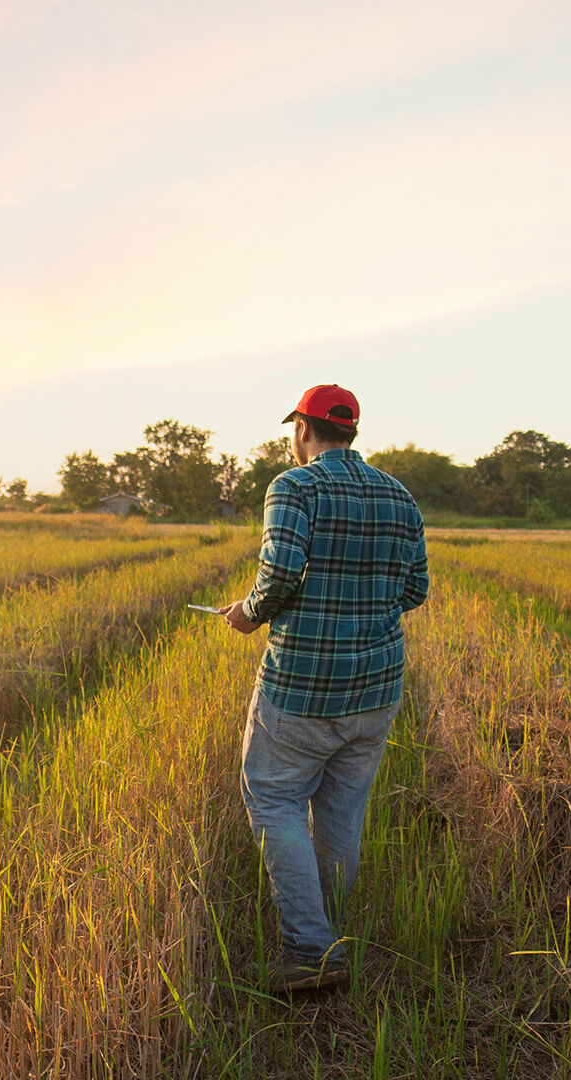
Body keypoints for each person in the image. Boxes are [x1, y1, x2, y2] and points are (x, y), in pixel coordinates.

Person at [215, 384, 428, 993]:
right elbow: (415, 590)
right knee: (342, 811)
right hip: (378, 688)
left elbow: (279, 573)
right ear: (351, 430)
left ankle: (310, 949)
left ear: (303, 430)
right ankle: (326, 928)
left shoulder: (294, 486)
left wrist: (250, 614)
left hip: (303, 686)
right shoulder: (400, 494)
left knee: (276, 801)